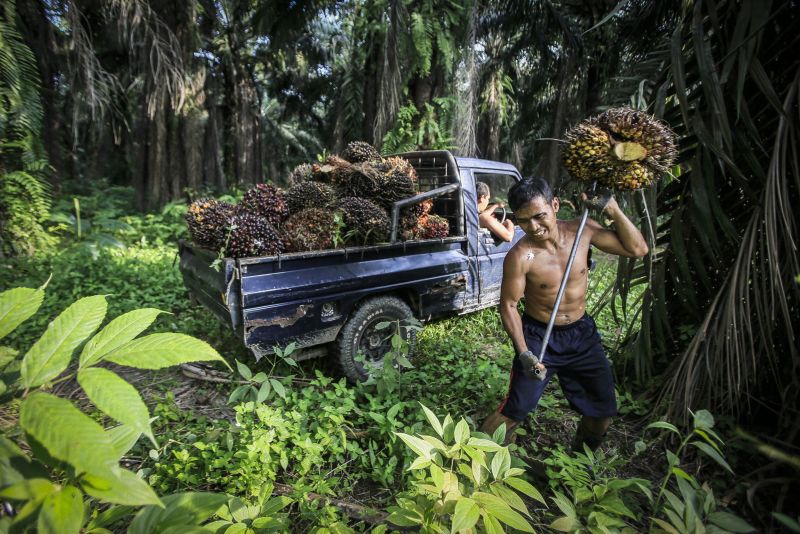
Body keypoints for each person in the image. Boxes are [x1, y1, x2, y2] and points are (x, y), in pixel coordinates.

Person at [480, 177, 649, 452]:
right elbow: (509, 305)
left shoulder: (582, 232)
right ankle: (480, 459)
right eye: (523, 221)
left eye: (539, 216)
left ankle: (579, 460)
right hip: (539, 337)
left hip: (581, 335)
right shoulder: (521, 256)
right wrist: (524, 353)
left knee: (602, 411)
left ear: (555, 205)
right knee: (514, 411)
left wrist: (613, 209)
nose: (533, 227)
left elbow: (638, 249)